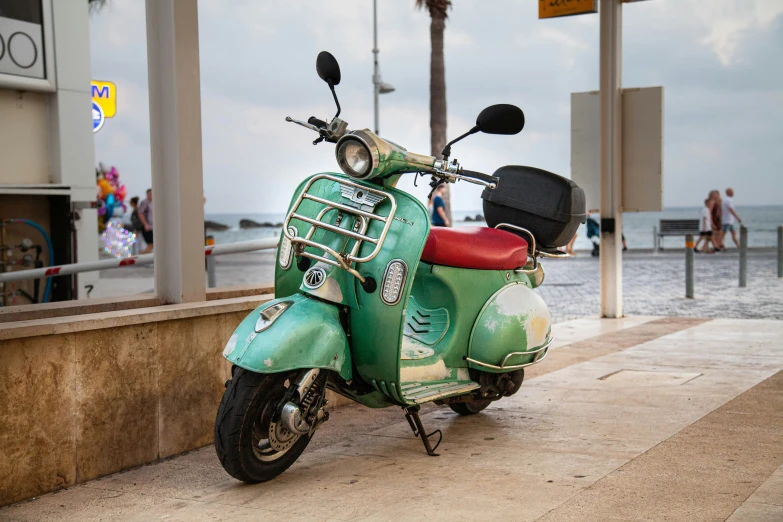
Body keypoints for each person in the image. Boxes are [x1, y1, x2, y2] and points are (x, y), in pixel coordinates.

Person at [137, 188, 154, 254]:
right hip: (147, 226)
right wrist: (145, 224)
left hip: (152, 226)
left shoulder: (152, 203)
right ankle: (141, 257)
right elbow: (140, 213)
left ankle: (142, 256)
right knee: (150, 244)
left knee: (152, 245)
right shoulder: (145, 203)